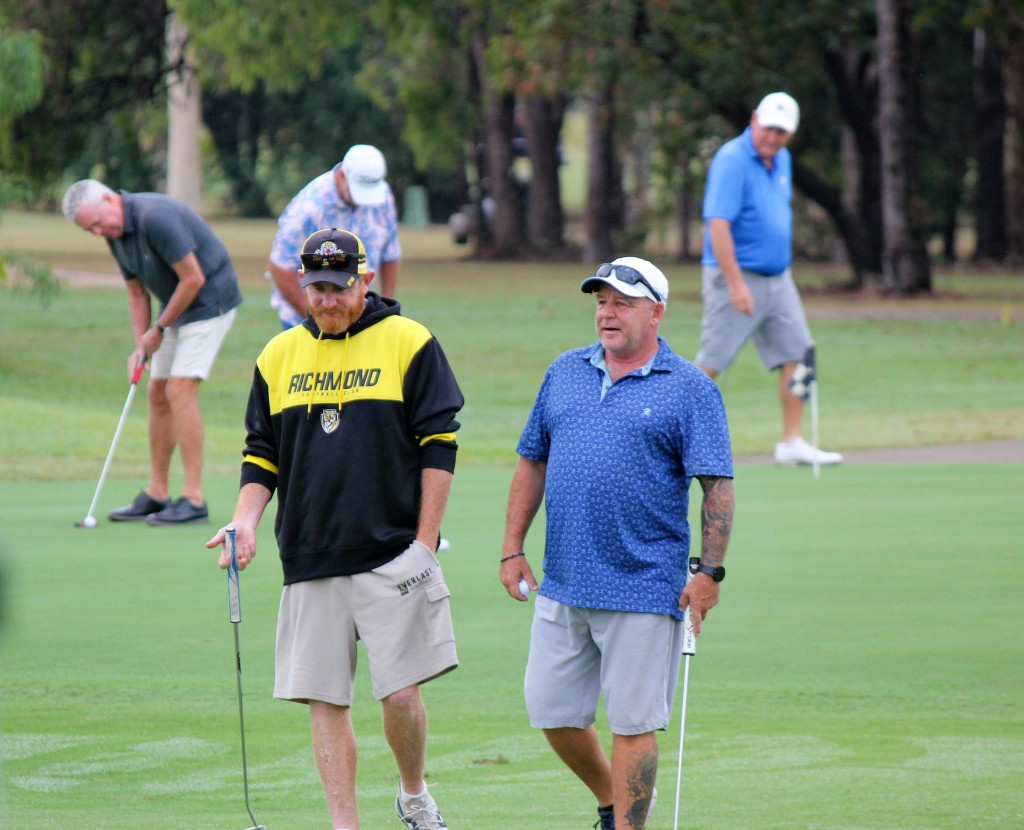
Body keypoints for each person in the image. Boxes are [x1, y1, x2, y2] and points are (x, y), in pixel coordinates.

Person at [206, 228, 463, 830]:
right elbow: (261, 455)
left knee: (400, 695)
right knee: (327, 701)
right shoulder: (277, 356)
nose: (326, 301)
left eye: (338, 288)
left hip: (392, 553)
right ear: (302, 286)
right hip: (310, 554)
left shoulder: (410, 342)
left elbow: (439, 447)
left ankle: (413, 794)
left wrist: (425, 545)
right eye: (316, 289)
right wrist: (245, 521)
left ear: (365, 282)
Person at [499, 258, 735, 830]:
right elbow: (532, 460)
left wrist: (709, 572)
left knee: (634, 723)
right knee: (551, 711)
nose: (607, 313)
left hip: (645, 586)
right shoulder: (565, 371)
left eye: (622, 303)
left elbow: (717, 486)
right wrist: (512, 547)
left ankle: (627, 825)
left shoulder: (690, 389)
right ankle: (615, 801)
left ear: (656, 312)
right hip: (564, 579)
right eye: (601, 301)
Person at [62, 179, 242, 525]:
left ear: (110, 198)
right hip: (176, 307)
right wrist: (141, 343)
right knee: (157, 392)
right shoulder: (115, 236)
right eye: (91, 229)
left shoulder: (154, 217)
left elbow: (193, 278)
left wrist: (158, 329)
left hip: (210, 301)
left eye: (99, 222)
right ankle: (157, 493)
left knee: (179, 390)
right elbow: (136, 293)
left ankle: (193, 499)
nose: (100, 231)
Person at [696, 91, 843, 467]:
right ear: (754, 119)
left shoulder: (782, 160)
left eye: (782, 132)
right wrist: (734, 284)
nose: (773, 137)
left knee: (800, 354)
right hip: (735, 275)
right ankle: (670, 439)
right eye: (769, 128)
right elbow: (718, 225)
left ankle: (791, 442)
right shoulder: (732, 159)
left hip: (779, 280)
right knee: (711, 363)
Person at [266, 144, 401, 330]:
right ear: (342, 176)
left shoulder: (382, 196)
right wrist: (312, 317)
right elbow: (279, 267)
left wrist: (386, 310)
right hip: (309, 316)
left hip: (360, 313)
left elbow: (390, 254)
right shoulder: (309, 207)